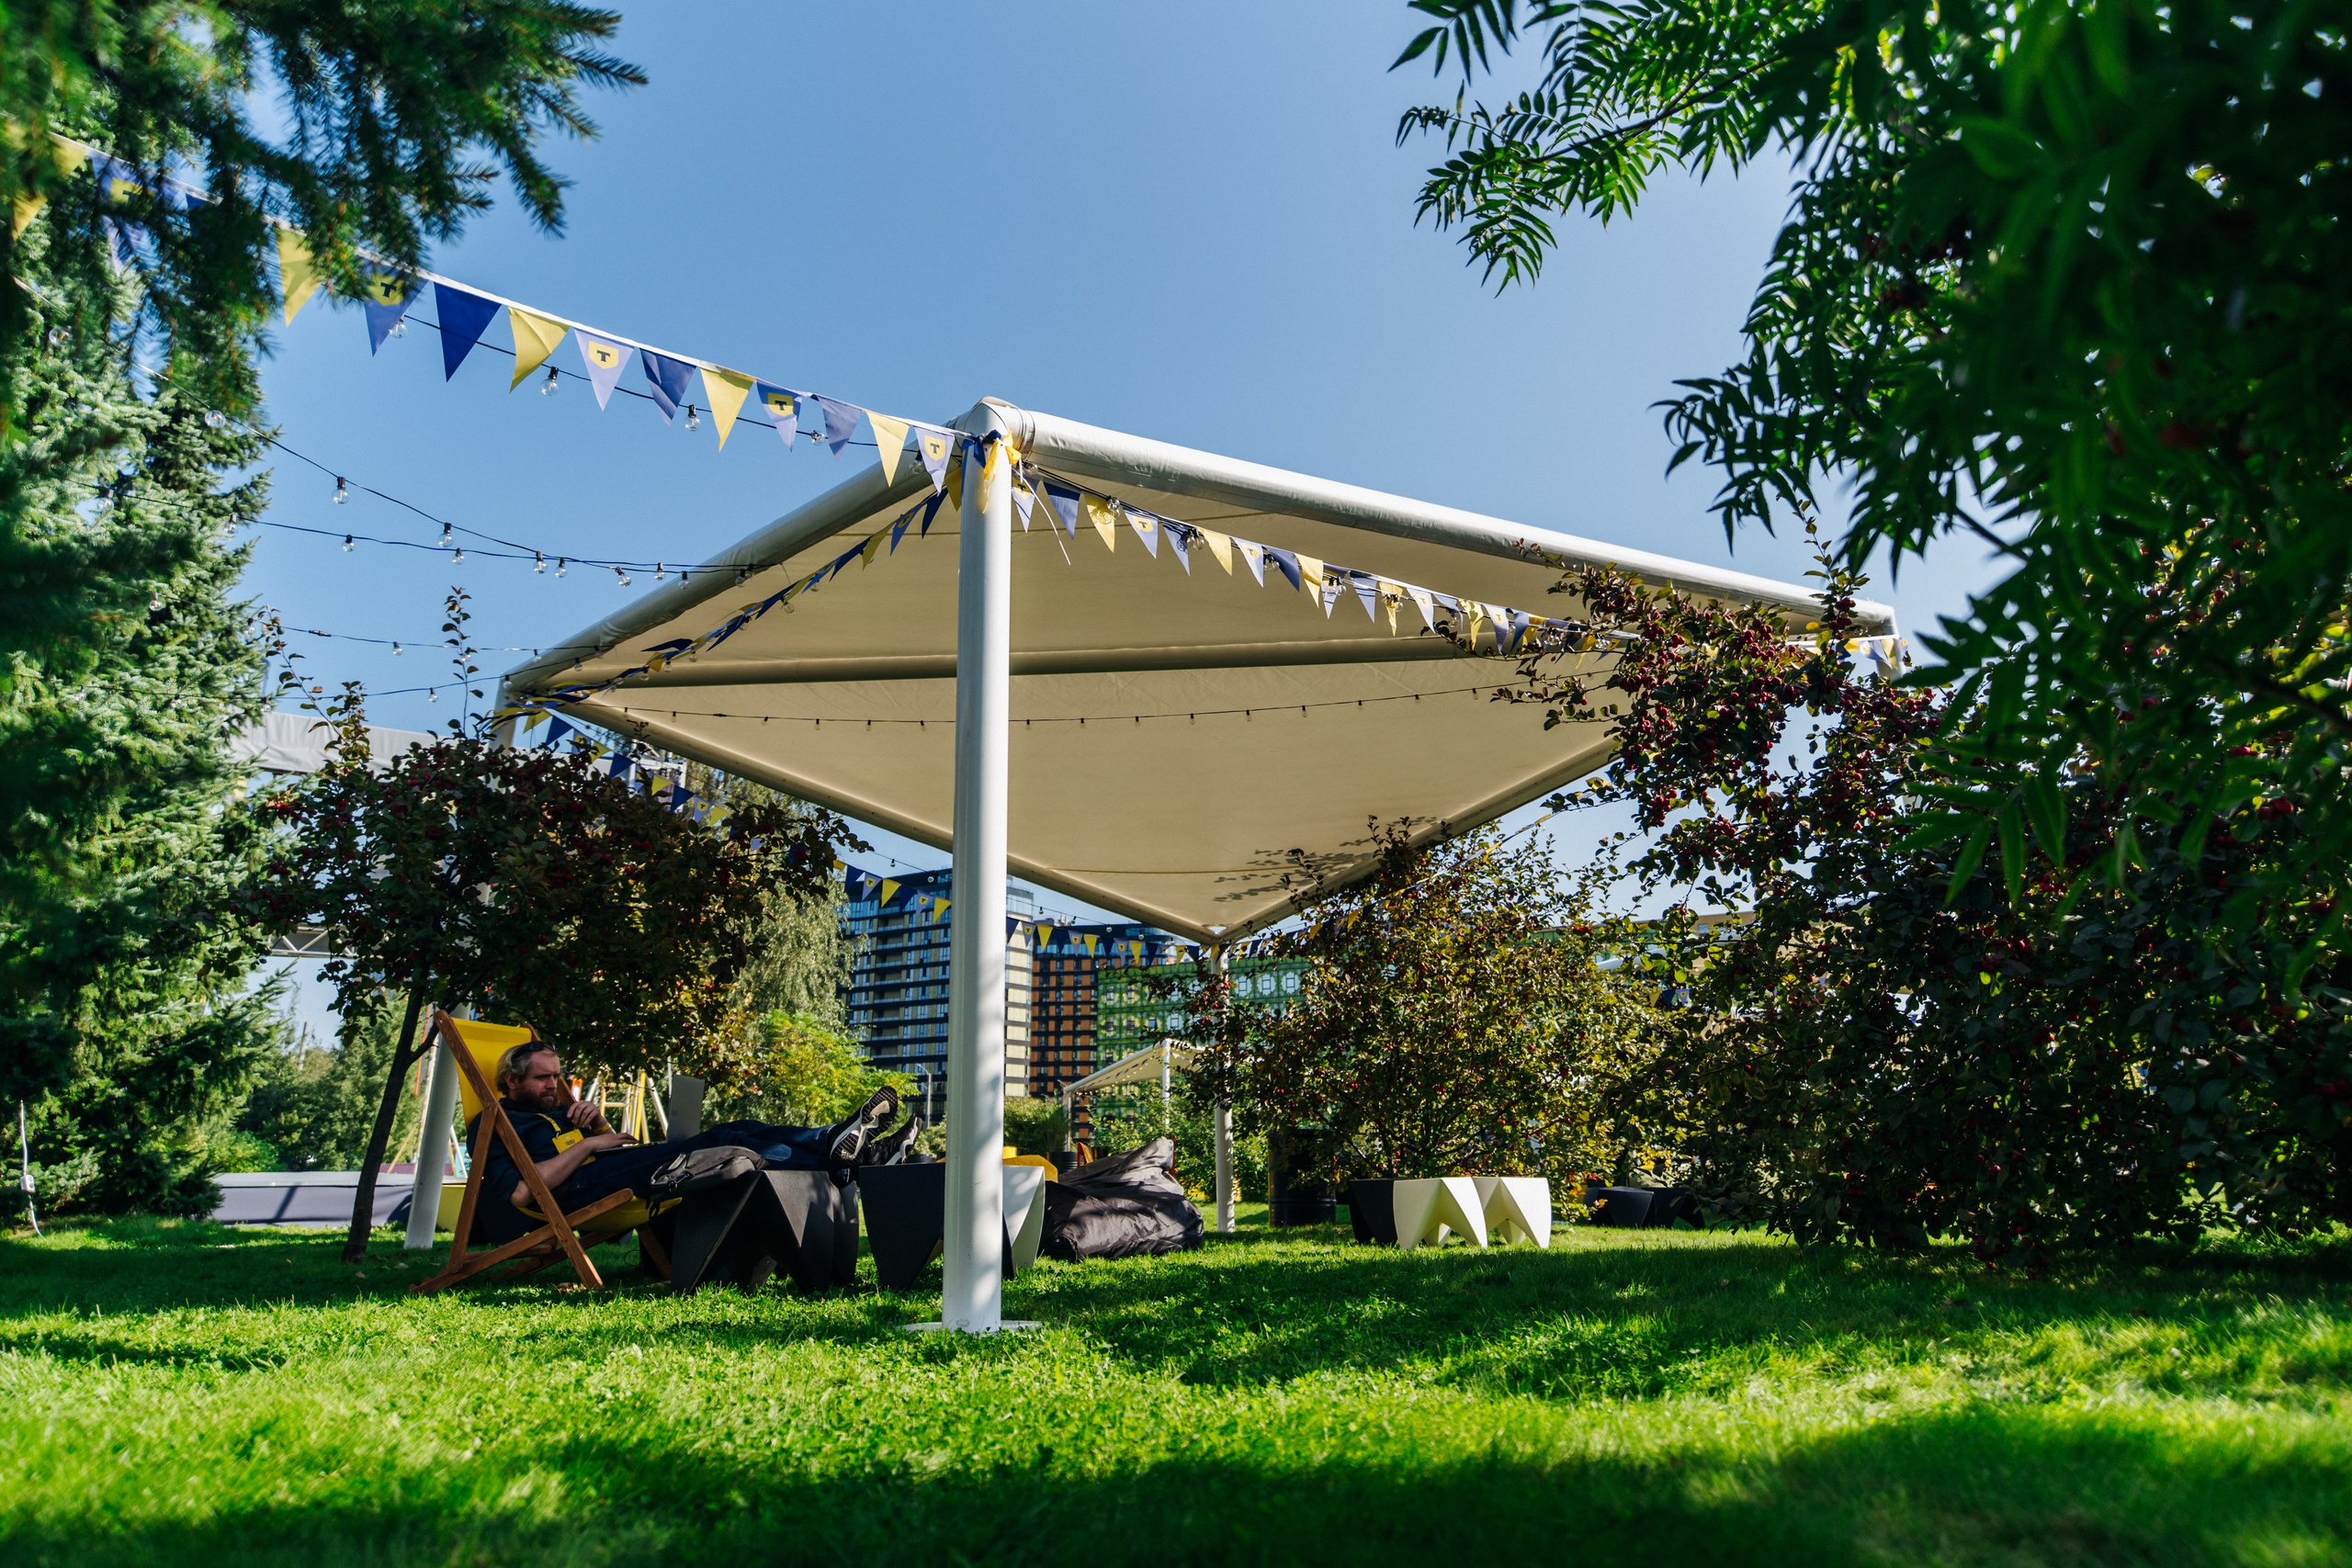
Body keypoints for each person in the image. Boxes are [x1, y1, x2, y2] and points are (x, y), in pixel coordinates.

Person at [471, 1042, 925, 1214]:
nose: (555, 1085)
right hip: (579, 1190)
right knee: (727, 1143)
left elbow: (595, 1146)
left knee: (738, 1131)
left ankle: (855, 1156)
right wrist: (596, 1142)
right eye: (542, 1078)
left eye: (556, 1075)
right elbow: (522, 1193)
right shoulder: (496, 1122)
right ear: (511, 1081)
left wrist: (598, 1125)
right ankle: (845, 1150)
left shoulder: (553, 1111)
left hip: (606, 1167)